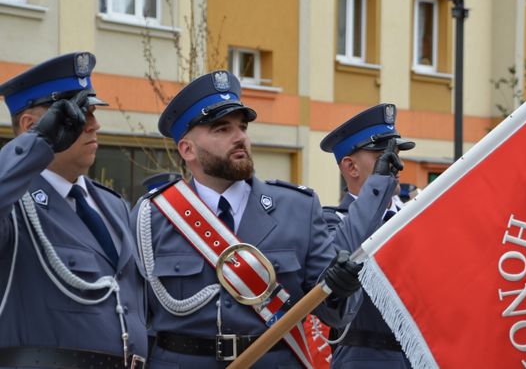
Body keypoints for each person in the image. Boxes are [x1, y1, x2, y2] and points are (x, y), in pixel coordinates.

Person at [131, 70, 400, 368]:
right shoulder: (152, 217)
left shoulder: (298, 208)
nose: (240, 138)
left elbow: (336, 314)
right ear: (187, 149)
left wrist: (342, 288)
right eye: (222, 129)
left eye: (242, 127)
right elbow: (133, 321)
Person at [0, 52, 147, 368]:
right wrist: (37, 145)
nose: (95, 125)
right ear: (30, 126)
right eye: (78, 116)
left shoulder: (112, 205)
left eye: (93, 112)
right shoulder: (13, 204)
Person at [320, 103, 415, 368]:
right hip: (365, 358)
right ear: (350, 167)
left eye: (395, 153)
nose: (397, 164)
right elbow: (342, 253)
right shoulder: (329, 221)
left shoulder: (413, 217)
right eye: (382, 155)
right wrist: (378, 186)